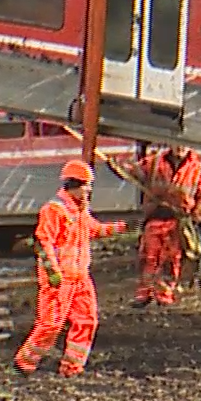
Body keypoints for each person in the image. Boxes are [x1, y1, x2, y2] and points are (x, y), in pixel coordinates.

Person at [14, 160, 128, 377]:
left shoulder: (80, 211)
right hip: (60, 279)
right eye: (87, 185)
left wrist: (123, 227)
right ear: (74, 184)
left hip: (80, 278)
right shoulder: (54, 210)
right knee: (50, 325)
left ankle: (72, 368)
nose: (89, 190)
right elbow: (43, 241)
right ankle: (24, 364)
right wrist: (53, 272)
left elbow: (94, 230)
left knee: (87, 320)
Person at [107, 144, 201, 308]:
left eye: (183, 145)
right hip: (155, 218)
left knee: (171, 260)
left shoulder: (198, 169)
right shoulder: (155, 163)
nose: (180, 148)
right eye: (176, 144)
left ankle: (164, 295)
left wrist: (196, 216)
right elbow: (134, 173)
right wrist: (117, 165)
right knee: (148, 257)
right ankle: (145, 293)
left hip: (178, 221)